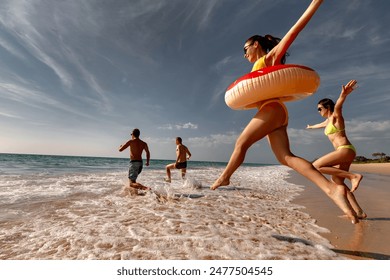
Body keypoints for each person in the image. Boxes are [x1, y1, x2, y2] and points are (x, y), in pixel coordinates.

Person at [210, 0, 360, 224]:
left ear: (256, 44)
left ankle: (225, 177)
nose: (244, 54)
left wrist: (314, 4)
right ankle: (332, 190)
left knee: (241, 143)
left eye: (245, 49)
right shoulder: (261, 65)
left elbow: (295, 29)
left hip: (272, 109)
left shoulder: (269, 58)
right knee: (286, 157)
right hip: (278, 112)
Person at [307, 80, 366, 218]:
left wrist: (343, 95)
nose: (318, 111)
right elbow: (320, 125)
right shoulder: (327, 121)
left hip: (344, 149)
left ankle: (354, 176)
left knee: (315, 166)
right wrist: (310, 127)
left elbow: (338, 106)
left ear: (327, 107)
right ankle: (359, 212)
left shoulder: (335, 116)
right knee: (338, 181)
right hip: (346, 151)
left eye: (319, 108)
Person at [119, 128, 151, 195]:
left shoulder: (131, 141)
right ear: (139, 135)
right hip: (140, 163)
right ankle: (135, 195)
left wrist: (120, 146)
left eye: (131, 134)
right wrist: (147, 162)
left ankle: (146, 188)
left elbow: (120, 150)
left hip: (134, 163)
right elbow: (148, 152)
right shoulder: (144, 143)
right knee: (133, 180)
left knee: (131, 184)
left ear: (133, 134)